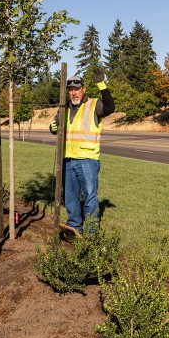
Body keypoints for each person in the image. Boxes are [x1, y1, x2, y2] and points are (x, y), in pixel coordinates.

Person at [49, 67, 115, 235]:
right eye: (70, 90)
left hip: (87, 160)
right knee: (70, 198)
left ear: (83, 89)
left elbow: (110, 107)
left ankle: (91, 232)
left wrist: (101, 84)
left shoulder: (94, 105)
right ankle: (74, 228)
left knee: (90, 198)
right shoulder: (63, 108)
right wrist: (52, 127)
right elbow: (55, 127)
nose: (74, 93)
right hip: (67, 159)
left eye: (76, 89)